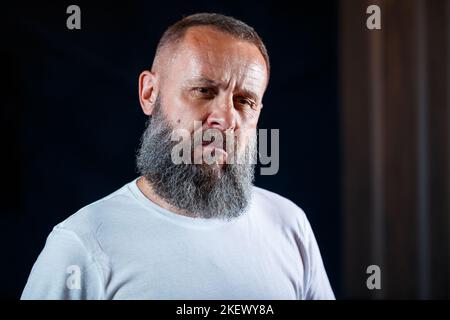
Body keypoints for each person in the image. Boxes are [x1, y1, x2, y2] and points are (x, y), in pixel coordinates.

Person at [21, 12, 335, 300]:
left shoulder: (288, 225)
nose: (225, 118)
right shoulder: (81, 246)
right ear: (149, 94)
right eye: (204, 90)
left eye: (244, 101)